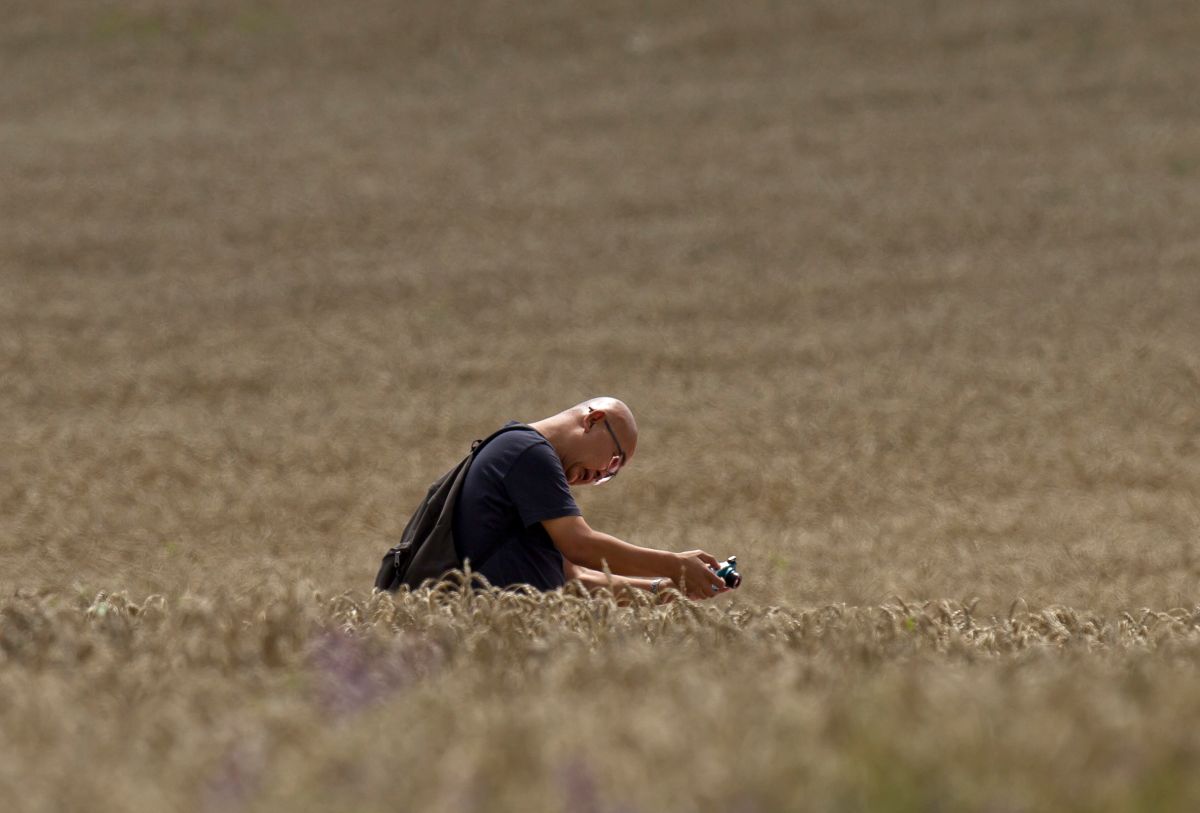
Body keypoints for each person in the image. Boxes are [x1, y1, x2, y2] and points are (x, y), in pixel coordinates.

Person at [453, 397, 729, 601]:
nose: (599, 476)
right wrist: (674, 564)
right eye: (613, 461)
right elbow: (580, 545)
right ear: (593, 420)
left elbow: (576, 579)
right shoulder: (527, 452)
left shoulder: (525, 456)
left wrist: (663, 588)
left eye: (610, 475)